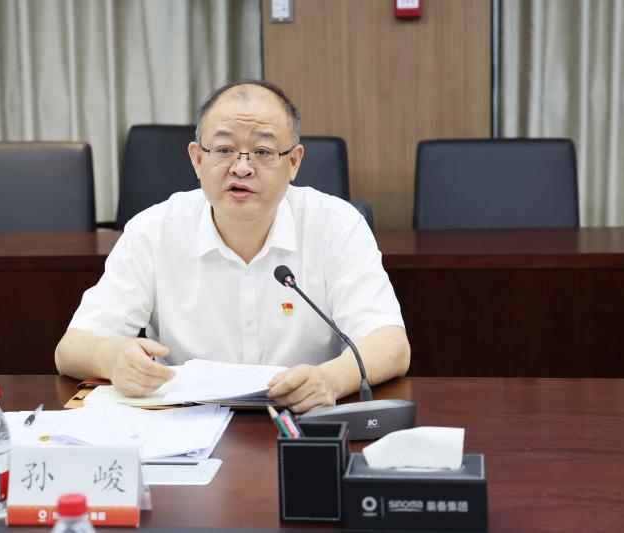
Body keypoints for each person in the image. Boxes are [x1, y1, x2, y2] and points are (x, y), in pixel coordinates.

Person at [55, 79, 410, 413]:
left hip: (305, 418)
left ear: (293, 162)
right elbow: (71, 349)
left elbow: (390, 343)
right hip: (185, 425)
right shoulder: (152, 231)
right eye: (224, 150)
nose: (242, 168)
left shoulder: (337, 225)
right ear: (197, 159)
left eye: (263, 151)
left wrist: (331, 379)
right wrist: (111, 357)